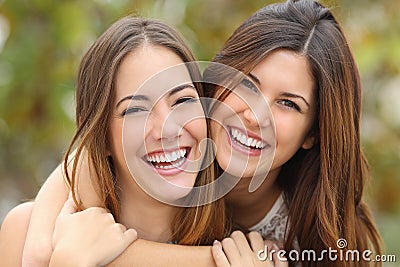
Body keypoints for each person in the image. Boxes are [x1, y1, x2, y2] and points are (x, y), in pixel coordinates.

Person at [2, 0, 383, 266]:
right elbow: (88, 152)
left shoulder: (302, 240)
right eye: (244, 83)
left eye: (288, 104)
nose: (254, 114)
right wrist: (42, 246)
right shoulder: (185, 145)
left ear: (312, 133)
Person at [0, 16, 230, 266]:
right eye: (135, 110)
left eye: (182, 101)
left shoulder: (241, 242)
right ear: (103, 138)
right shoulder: (26, 232)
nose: (167, 129)